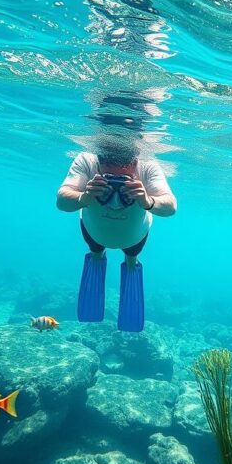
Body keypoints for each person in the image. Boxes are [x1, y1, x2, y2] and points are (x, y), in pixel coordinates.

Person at [56, 136, 177, 331]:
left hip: (133, 235)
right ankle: (100, 257)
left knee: (131, 256)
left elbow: (170, 207)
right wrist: (84, 196)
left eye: (123, 182)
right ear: (99, 163)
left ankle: (130, 262)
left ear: (135, 164)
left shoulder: (148, 167)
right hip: (94, 231)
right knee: (96, 250)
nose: (115, 194)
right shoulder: (87, 161)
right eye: (108, 181)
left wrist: (148, 201)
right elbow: (61, 201)